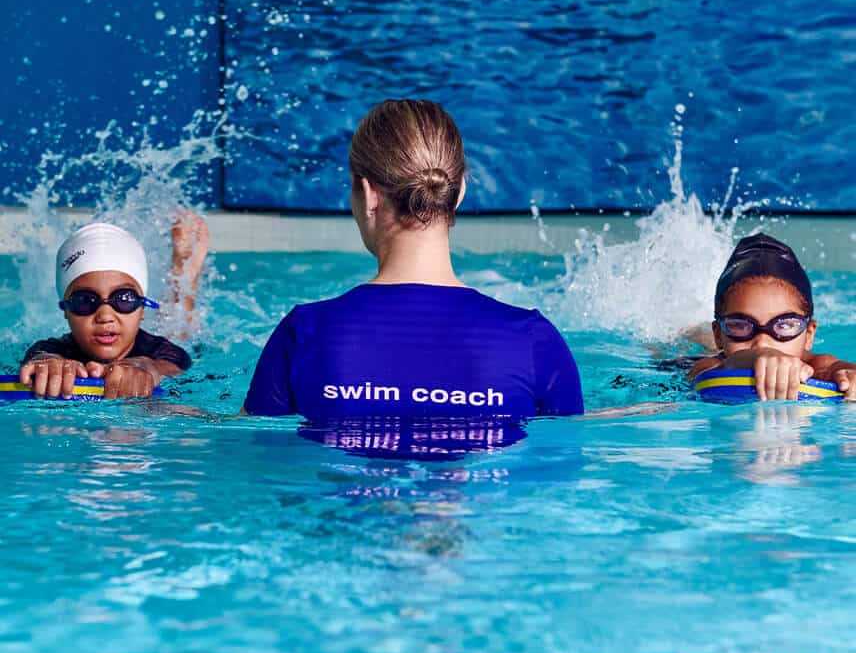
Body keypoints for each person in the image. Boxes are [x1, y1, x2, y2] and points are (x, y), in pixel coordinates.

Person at [244, 98, 583, 419]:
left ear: (367, 194)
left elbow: (253, 457)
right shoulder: (532, 340)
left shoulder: (305, 333)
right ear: (460, 191)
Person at [18, 213, 209, 399]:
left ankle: (184, 276)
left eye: (124, 299)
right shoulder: (51, 348)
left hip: (152, 349)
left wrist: (147, 368)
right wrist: (49, 365)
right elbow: (40, 357)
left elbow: (169, 368)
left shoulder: (163, 351)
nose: (105, 315)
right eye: (85, 301)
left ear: (142, 308)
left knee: (179, 331)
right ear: (66, 310)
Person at [689, 233, 856, 401]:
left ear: (809, 334)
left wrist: (849, 374)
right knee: (697, 343)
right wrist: (758, 357)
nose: (762, 342)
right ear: (718, 334)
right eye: (740, 325)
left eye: (784, 326)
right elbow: (702, 376)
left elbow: (831, 368)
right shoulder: (710, 365)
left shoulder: (814, 364)